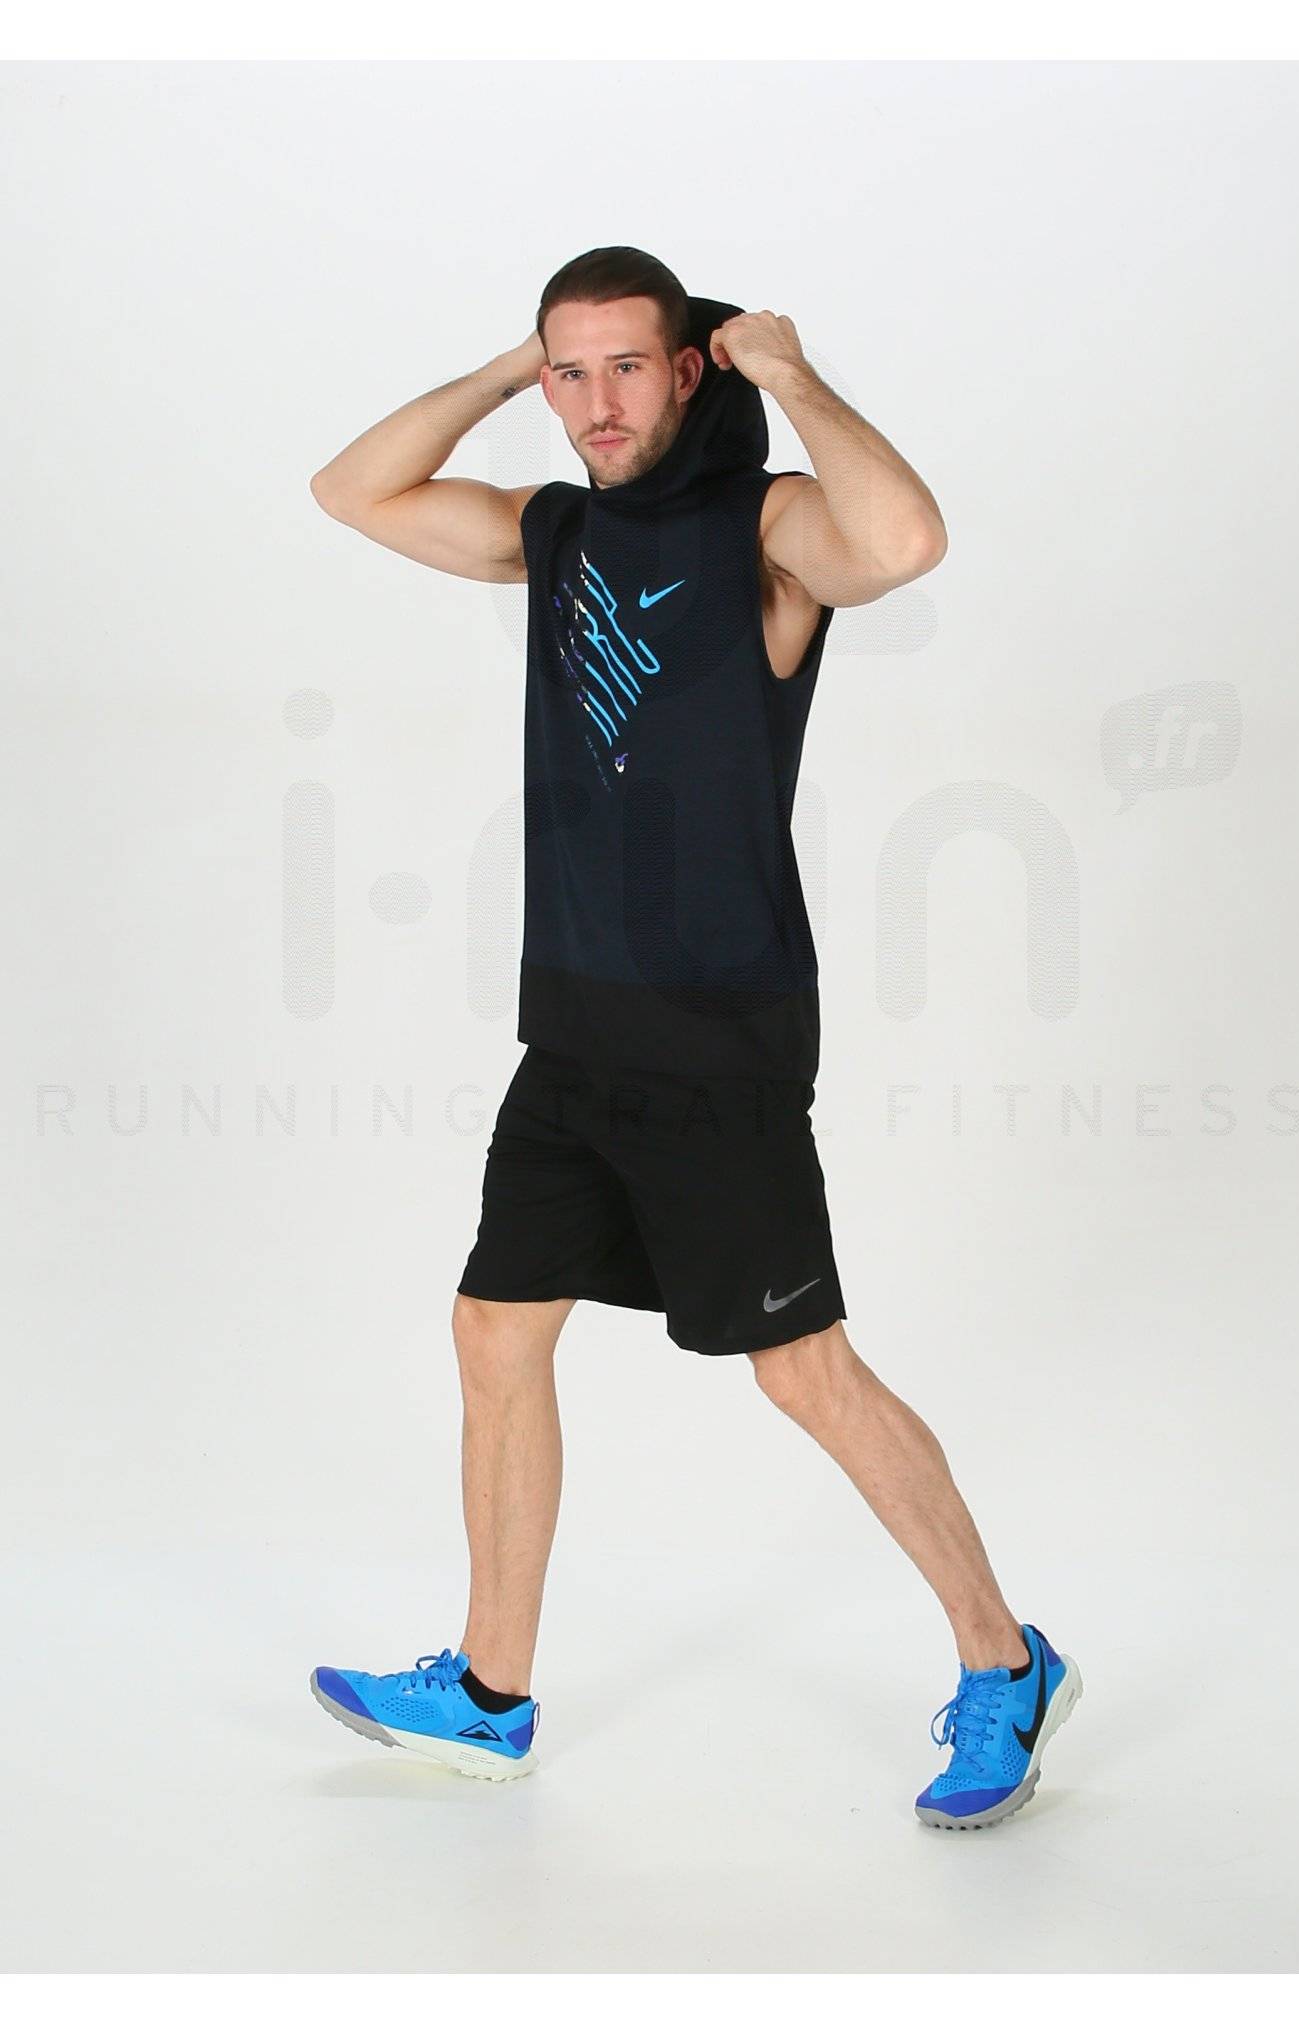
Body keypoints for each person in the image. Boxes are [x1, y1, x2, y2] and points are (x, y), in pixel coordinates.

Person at [306, 247, 1081, 1829]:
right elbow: (352, 490)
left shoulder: (765, 530)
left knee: (805, 1371)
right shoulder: (554, 531)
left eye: (624, 366)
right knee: (495, 1332)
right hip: (573, 1027)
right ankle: (493, 1693)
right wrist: (503, 370)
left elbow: (905, 539)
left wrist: (792, 375)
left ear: (687, 370)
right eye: (568, 370)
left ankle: (1006, 1661)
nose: (595, 401)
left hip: (720, 1037)